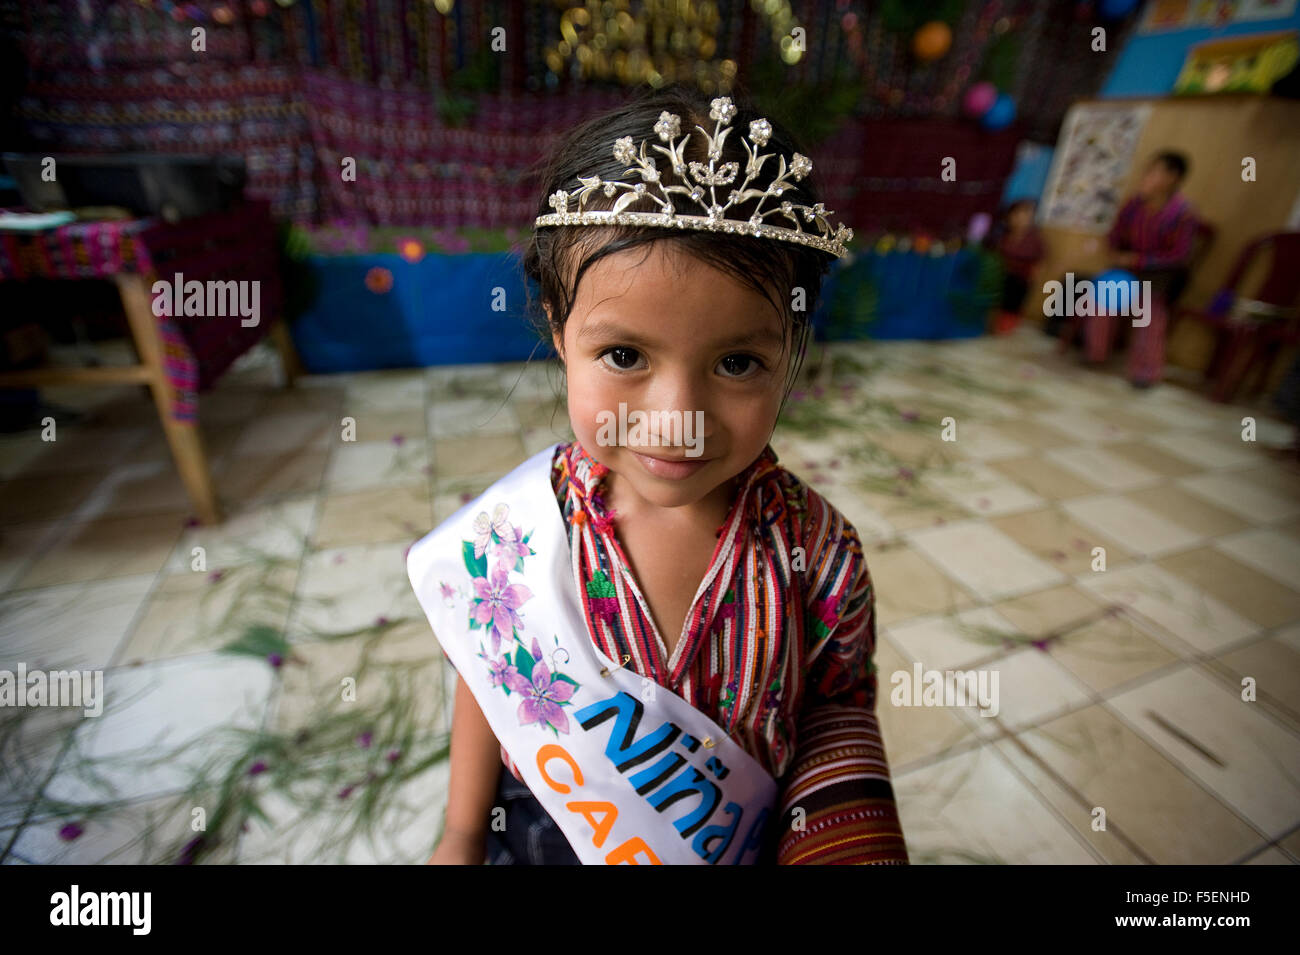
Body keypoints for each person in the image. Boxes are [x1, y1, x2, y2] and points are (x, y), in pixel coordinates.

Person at [409, 85, 908, 866]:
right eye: (625, 356)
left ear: (794, 346)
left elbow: (837, 710)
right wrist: (463, 832)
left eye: (738, 362)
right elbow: (490, 677)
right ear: (555, 323)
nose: (677, 415)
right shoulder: (518, 533)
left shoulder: (821, 555)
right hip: (543, 836)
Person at [1085, 150, 1199, 387]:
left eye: (1155, 171)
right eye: (1149, 170)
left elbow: (1179, 255)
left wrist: (1138, 261)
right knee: (1101, 297)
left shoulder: (1183, 213)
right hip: (1126, 269)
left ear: (1173, 177)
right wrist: (1117, 254)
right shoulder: (1134, 205)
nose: (1147, 176)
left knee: (1148, 310)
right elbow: (1115, 235)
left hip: (1160, 274)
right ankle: (1096, 354)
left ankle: (1146, 372)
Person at [994, 199, 1045, 334]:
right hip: (1001, 276)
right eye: (1019, 215)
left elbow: (1038, 262)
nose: (1023, 219)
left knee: (1014, 299)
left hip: (1020, 280)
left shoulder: (1034, 239)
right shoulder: (1004, 234)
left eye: (1028, 216)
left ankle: (1006, 326)